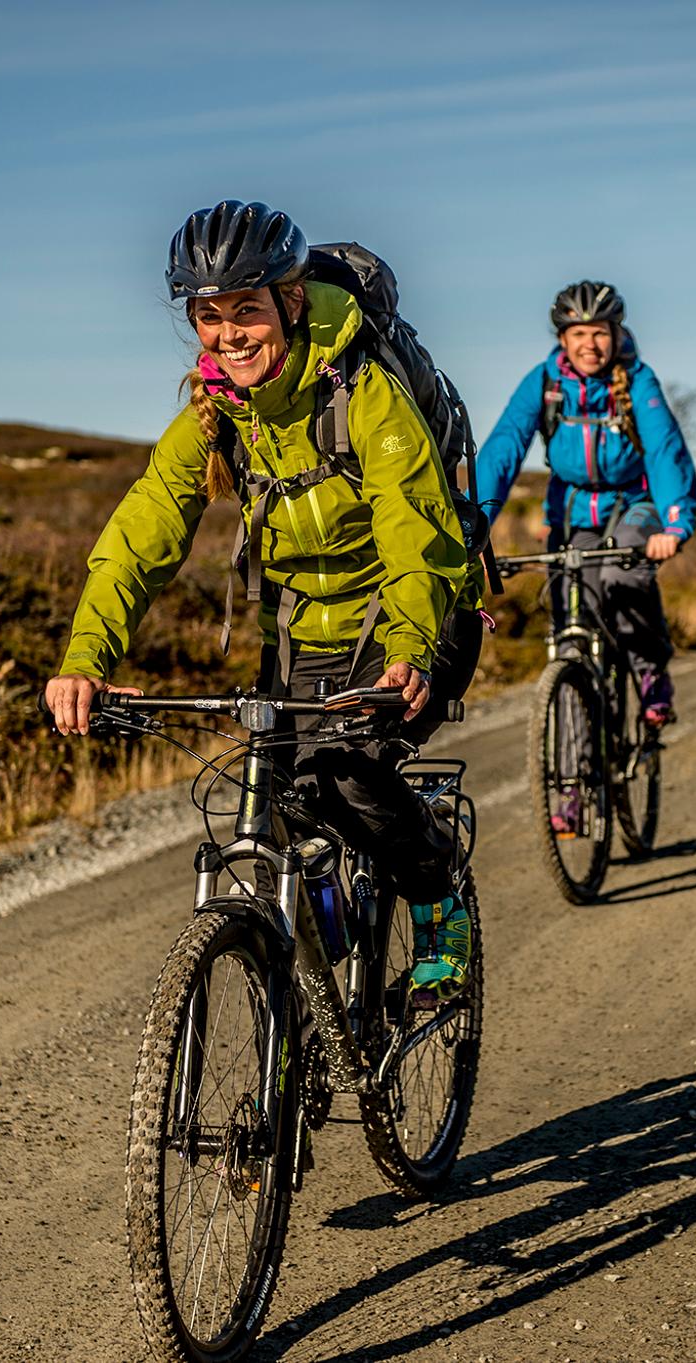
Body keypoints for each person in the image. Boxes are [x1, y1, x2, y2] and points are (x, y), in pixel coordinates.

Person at [44, 201, 482, 1003]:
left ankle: (439, 894)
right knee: (279, 787)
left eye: (246, 309)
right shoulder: (215, 417)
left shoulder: (367, 393)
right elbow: (140, 534)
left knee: (347, 777)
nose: (228, 334)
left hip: (421, 609)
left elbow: (417, 530)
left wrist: (410, 649)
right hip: (303, 632)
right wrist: (85, 660)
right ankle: (329, 972)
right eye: (208, 316)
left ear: (289, 301)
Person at [477, 281, 696, 751]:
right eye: (578, 334)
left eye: (598, 333)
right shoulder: (545, 382)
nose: (589, 345)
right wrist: (477, 524)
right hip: (572, 512)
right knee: (570, 632)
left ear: (615, 334)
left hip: (634, 504)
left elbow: (663, 450)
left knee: (622, 578)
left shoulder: (637, 379)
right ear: (562, 339)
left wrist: (675, 522)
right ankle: (574, 783)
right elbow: (503, 449)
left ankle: (650, 671)